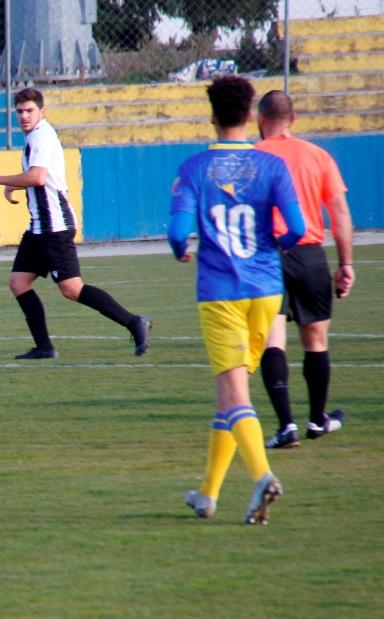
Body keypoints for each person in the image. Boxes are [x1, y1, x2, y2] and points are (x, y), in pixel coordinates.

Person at [168, 76, 306, 525]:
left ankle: (263, 476)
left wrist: (181, 249)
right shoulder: (272, 167)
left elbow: (175, 233)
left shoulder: (193, 169)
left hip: (221, 293)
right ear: (251, 116)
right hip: (267, 291)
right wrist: (274, 243)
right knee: (227, 397)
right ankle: (207, 494)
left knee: (234, 393)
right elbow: (298, 228)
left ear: (212, 115)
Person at [0, 87, 151, 359]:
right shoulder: (36, 137)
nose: (24, 116)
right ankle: (44, 347)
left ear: (42, 111)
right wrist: (14, 185)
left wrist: (0, 179)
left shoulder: (41, 137)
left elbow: (36, 177)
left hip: (54, 227)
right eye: (20, 111)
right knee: (18, 282)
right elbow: (41, 179)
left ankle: (134, 322)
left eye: (30, 110)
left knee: (72, 289)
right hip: (39, 227)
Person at [255, 90, 356, 449]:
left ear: (260, 119)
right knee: (315, 341)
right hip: (310, 253)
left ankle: (286, 426)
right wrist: (345, 264)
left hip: (267, 254)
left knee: (272, 338)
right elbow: (340, 213)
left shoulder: (253, 156)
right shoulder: (318, 156)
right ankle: (317, 419)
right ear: (293, 119)